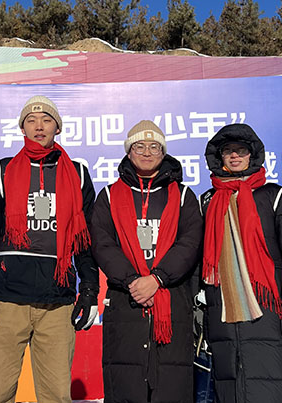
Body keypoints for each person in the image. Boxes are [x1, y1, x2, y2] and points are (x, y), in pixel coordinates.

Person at [0, 95, 99, 403]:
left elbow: (86, 240)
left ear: (57, 128)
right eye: (31, 120)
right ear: (22, 127)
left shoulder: (77, 173)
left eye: (47, 120)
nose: (39, 126)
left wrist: (90, 289)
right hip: (5, 300)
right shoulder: (2, 171)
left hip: (57, 302)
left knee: (56, 397)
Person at [199, 123, 282, 403]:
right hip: (222, 309)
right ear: (219, 157)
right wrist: (197, 303)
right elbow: (197, 256)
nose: (234, 156)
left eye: (241, 150)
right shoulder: (208, 201)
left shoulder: (274, 196)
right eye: (228, 151)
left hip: (269, 307)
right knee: (230, 384)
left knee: (273, 382)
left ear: (252, 155)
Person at [90, 120, 203, 403]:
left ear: (163, 153)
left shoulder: (183, 196)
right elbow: (103, 244)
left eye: (154, 147)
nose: (147, 152)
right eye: (139, 146)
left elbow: (189, 243)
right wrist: (133, 282)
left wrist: (157, 279)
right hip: (125, 302)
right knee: (126, 386)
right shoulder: (108, 196)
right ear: (129, 152)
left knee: (171, 388)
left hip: (172, 301)